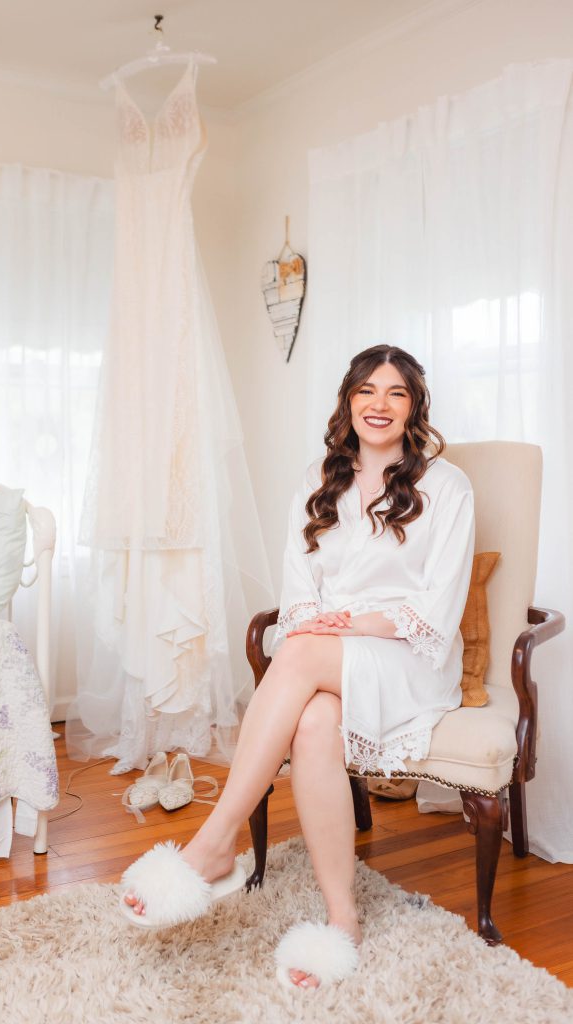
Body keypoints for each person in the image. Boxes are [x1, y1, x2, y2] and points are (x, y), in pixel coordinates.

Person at [119, 344, 475, 991]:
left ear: (414, 407)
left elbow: (438, 608)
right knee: (312, 721)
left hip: (409, 658)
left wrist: (346, 623)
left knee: (302, 649)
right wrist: (321, 623)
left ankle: (216, 838)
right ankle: (342, 919)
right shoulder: (318, 480)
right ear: (347, 400)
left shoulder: (446, 487)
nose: (379, 403)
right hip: (328, 655)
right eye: (367, 389)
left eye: (395, 392)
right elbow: (299, 589)